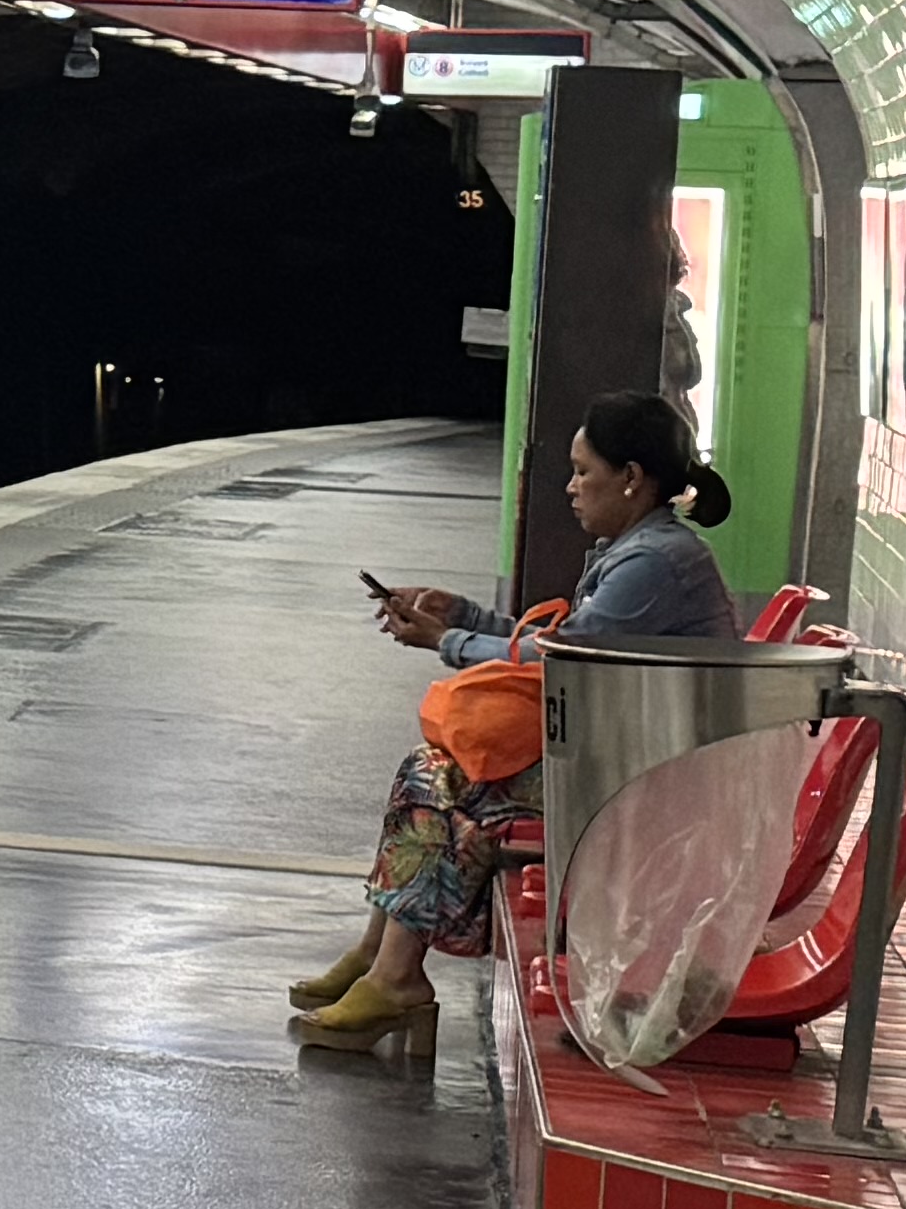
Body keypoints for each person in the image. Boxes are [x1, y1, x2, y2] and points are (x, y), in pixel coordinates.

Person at [289, 389, 743, 1055]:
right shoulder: (643, 549)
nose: (571, 487)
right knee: (433, 772)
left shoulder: (656, 563)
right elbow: (564, 643)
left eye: (583, 471)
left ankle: (392, 973)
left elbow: (559, 659)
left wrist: (445, 640)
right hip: (634, 757)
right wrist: (466, 616)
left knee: (442, 780)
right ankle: (383, 961)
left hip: (652, 782)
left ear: (631, 477)